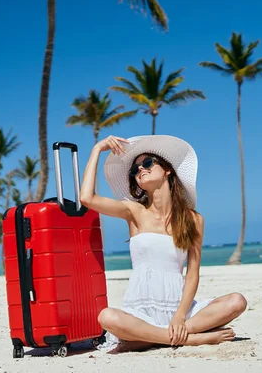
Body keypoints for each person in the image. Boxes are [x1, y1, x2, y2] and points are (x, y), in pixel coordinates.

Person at [80, 134, 248, 353]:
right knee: (107, 317)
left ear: (168, 169)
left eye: (147, 163)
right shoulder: (134, 212)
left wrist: (179, 316)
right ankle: (188, 338)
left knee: (237, 301)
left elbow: (192, 274)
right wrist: (96, 149)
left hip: (181, 309)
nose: (140, 169)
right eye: (135, 170)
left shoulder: (193, 220)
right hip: (140, 311)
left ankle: (151, 338)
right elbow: (87, 198)